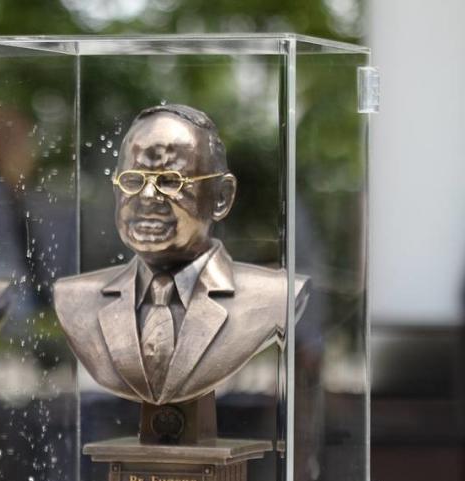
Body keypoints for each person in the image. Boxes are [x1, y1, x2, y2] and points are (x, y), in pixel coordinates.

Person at [53, 104, 307, 406]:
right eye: (133, 181)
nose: (147, 197)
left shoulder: (275, 297)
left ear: (222, 197)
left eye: (170, 181)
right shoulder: (73, 298)